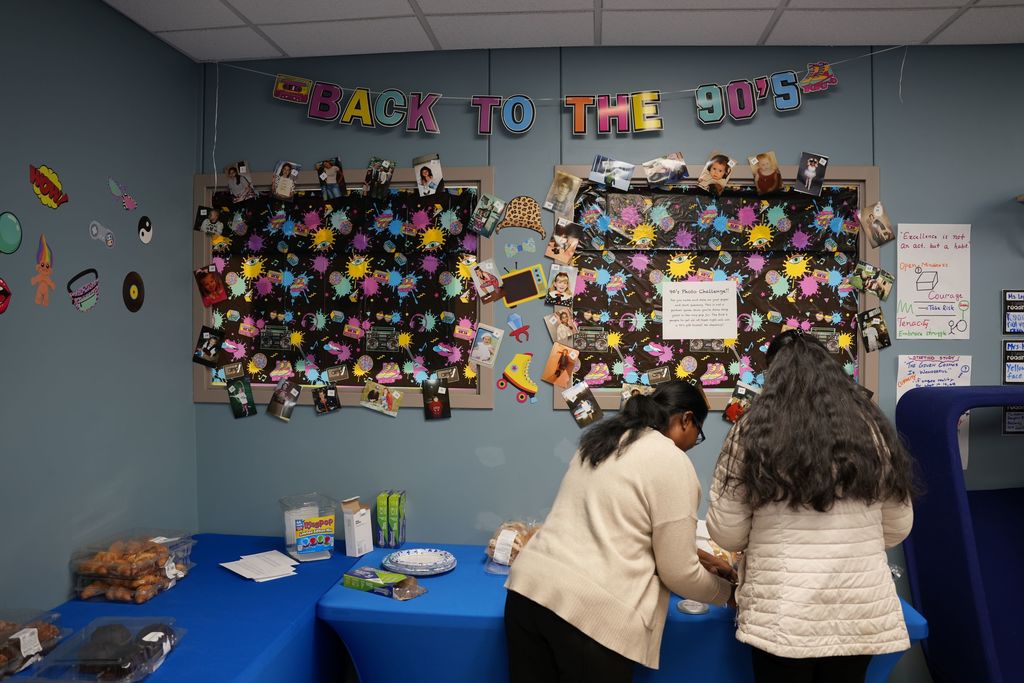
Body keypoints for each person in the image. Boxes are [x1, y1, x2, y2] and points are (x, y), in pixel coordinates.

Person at [707, 330, 916, 683]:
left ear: (772, 375)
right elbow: (899, 525)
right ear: (832, 370)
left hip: (783, 613)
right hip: (857, 610)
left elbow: (727, 533)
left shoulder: (751, 432)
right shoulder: (873, 432)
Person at [505, 381, 734, 682]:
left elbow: (613, 526)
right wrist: (727, 594)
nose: (693, 443)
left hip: (527, 593)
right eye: (698, 434)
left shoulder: (605, 440)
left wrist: (694, 554)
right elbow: (678, 574)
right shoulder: (671, 459)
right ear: (686, 419)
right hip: (586, 616)